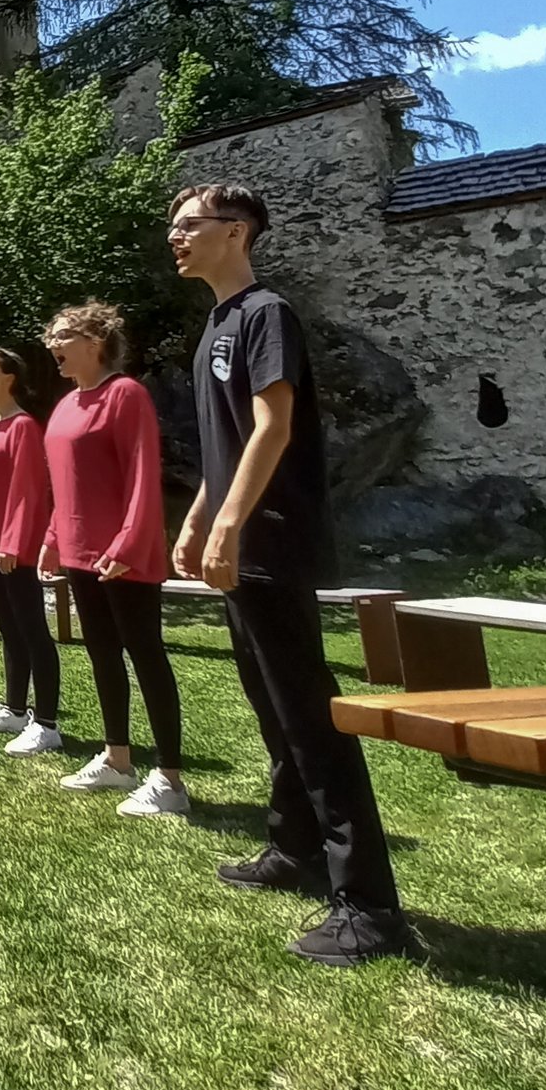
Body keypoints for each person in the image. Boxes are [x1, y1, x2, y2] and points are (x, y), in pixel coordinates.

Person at [169, 182, 413, 967]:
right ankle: (293, 848)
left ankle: (369, 909)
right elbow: (229, 440)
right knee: (270, 706)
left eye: (188, 226)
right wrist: (197, 517)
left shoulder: (267, 314)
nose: (174, 238)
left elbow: (272, 427)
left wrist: (234, 524)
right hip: (241, 538)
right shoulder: (217, 322)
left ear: (235, 232)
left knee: (311, 721)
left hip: (271, 539)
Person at [42, 303, 186, 816]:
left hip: (124, 555)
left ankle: (170, 779)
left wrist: (127, 544)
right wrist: (54, 537)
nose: (52, 345)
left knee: (145, 654)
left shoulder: (125, 395)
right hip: (82, 555)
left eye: (62, 336)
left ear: (95, 341)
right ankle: (117, 760)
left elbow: (143, 476)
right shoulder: (65, 405)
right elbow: (64, 484)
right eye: (51, 337)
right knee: (103, 653)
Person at [0, 349, 62, 755]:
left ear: (9, 377)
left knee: (33, 631)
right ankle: (15, 709)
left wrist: (12, 543)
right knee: (9, 628)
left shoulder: (23, 427)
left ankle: (47, 723)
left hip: (13, 549)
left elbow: (28, 491)